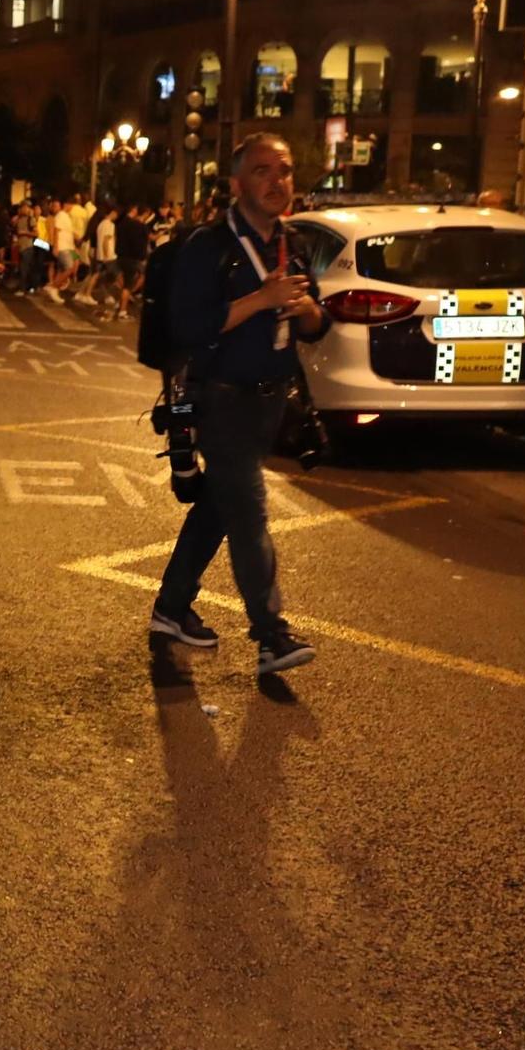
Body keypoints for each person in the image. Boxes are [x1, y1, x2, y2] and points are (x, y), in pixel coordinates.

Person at [153, 133, 326, 676]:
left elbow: (315, 323)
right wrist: (262, 300)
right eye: (262, 171)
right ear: (236, 183)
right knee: (248, 509)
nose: (277, 181)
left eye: (285, 170)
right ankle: (270, 634)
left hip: (271, 400)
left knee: (220, 506)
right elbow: (192, 327)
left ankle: (171, 608)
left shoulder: (291, 243)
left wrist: (303, 309)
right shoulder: (210, 246)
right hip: (220, 398)